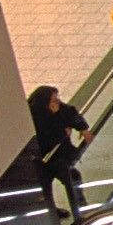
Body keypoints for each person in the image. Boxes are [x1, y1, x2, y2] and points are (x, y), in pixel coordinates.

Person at [27, 85, 91, 216]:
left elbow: (71, 112)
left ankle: (81, 206)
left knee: (72, 177)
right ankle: (55, 211)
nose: (57, 103)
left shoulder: (59, 108)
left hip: (59, 155)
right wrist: (62, 126)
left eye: (57, 99)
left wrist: (83, 128)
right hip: (45, 158)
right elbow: (49, 135)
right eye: (53, 100)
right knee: (47, 186)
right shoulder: (35, 116)